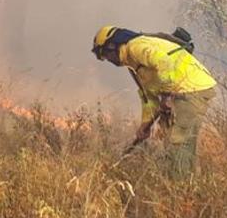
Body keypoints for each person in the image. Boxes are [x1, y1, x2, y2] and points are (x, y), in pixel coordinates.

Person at [91, 25, 217, 179]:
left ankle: (181, 188)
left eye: (106, 55)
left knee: (178, 140)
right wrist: (145, 126)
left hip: (191, 88)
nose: (109, 60)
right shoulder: (133, 65)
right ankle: (187, 183)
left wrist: (165, 95)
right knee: (171, 138)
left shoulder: (136, 47)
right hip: (181, 91)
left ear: (112, 45)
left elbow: (164, 63)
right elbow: (149, 98)